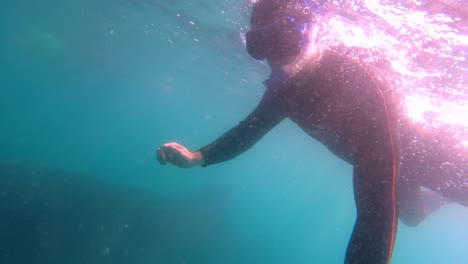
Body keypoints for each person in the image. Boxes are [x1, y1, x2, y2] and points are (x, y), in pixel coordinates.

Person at [156, 0, 468, 263]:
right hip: (390, 171)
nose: (277, 57)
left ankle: (448, 196)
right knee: (412, 217)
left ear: (311, 35)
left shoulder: (357, 82)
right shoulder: (285, 93)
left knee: (426, 201)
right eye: (261, 45)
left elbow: (374, 213)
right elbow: (247, 131)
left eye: (285, 39)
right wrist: (197, 157)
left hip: (432, 157)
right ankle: (441, 202)